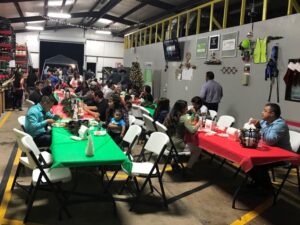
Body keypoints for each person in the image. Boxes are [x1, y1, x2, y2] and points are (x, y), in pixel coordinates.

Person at [248, 103, 291, 191]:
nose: (262, 112)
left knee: (259, 164)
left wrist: (260, 127)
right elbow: (259, 126)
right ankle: (258, 182)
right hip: (268, 151)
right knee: (248, 159)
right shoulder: (266, 121)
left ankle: (267, 189)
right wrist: (256, 124)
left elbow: (269, 141)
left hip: (282, 156)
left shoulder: (280, 125)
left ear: (272, 114)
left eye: (265, 111)